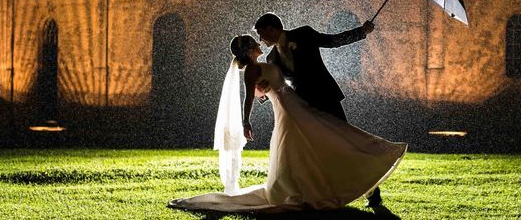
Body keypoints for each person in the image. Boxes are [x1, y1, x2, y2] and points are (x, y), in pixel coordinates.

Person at [168, 35, 406, 214]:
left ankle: (322, 180)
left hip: (295, 103)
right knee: (305, 141)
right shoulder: (251, 69)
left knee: (317, 138)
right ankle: (306, 187)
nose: (260, 42)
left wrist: (267, 90)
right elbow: (250, 96)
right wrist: (246, 120)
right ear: (250, 50)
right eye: (256, 41)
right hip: (286, 108)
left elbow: (266, 88)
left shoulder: (266, 62)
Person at [254, 12, 385, 207]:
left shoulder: (304, 33)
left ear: (271, 29)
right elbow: (279, 84)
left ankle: (372, 193)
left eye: (261, 34)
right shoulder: (272, 58)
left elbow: (332, 41)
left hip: (327, 96)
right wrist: (262, 93)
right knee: (317, 151)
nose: (260, 39)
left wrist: (361, 32)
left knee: (346, 142)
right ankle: (324, 193)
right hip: (304, 107)